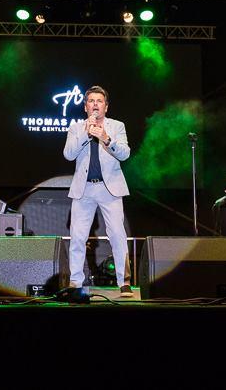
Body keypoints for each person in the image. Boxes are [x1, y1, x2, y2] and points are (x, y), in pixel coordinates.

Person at [63, 86, 133, 297]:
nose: (95, 104)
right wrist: (86, 134)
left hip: (109, 188)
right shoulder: (76, 128)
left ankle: (124, 282)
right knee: (77, 236)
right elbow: (68, 154)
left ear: (106, 106)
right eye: (91, 101)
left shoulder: (117, 126)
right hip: (84, 189)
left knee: (118, 235)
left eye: (99, 101)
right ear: (85, 107)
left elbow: (125, 154)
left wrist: (106, 138)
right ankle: (75, 282)